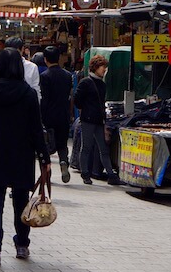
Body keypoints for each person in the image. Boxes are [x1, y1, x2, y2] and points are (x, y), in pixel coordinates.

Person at [0, 48, 51, 265]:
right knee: (20, 201)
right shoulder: (27, 93)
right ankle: (22, 245)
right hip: (21, 152)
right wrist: (44, 159)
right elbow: (36, 129)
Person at [73, 55, 121, 186]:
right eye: (102, 67)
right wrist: (86, 110)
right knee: (87, 147)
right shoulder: (86, 82)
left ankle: (111, 174)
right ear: (95, 67)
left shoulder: (102, 84)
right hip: (88, 120)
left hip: (99, 120)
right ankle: (85, 173)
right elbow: (77, 100)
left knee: (103, 148)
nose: (104, 69)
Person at [39, 46, 74, 184]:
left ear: (45, 59)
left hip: (49, 115)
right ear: (59, 58)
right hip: (63, 114)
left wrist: (41, 117)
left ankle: (47, 173)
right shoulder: (67, 75)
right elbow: (70, 96)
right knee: (62, 144)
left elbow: (44, 99)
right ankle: (64, 162)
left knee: (47, 145)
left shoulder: (45, 76)